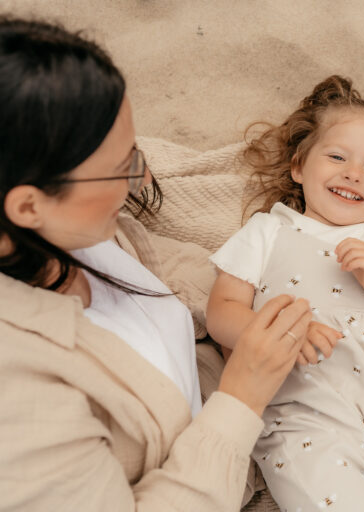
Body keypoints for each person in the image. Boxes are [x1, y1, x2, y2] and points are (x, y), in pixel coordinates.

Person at [0, 17, 312, 511]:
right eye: (121, 165)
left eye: (135, 148)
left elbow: (156, 266)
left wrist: (237, 303)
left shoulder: (65, 226)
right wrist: (241, 398)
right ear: (28, 206)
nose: (142, 174)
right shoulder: (20, 411)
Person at [205, 75, 364, 512]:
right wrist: (285, 333)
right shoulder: (269, 229)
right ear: (298, 167)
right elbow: (220, 312)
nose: (353, 173)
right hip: (303, 416)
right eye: (337, 157)